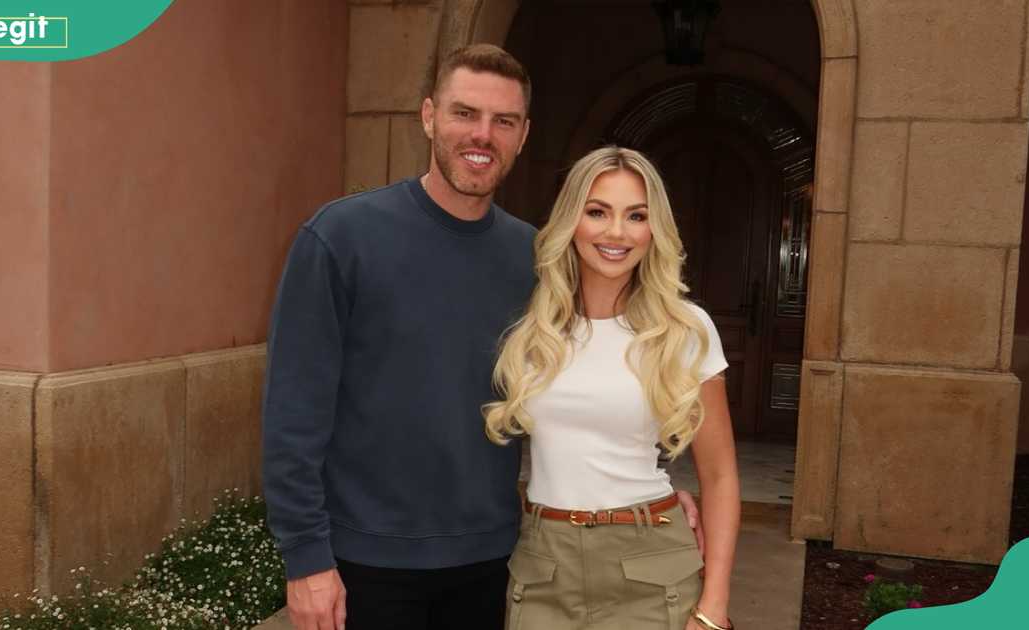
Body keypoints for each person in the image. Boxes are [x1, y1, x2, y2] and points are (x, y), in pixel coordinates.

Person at [263, 43, 703, 630]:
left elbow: (595, 372)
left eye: (503, 122)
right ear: (428, 117)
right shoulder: (340, 238)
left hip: (493, 562)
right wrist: (305, 558)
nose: (482, 135)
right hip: (364, 562)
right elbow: (293, 414)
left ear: (523, 135)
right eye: (464, 113)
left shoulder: (539, 258)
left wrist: (652, 497)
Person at [484, 146, 740, 630]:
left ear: (653, 229)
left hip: (652, 564)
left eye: (636, 215)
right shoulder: (532, 327)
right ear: (571, 220)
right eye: (597, 211)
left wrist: (713, 608)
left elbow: (721, 476)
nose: (616, 232)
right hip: (543, 568)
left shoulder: (685, 330)